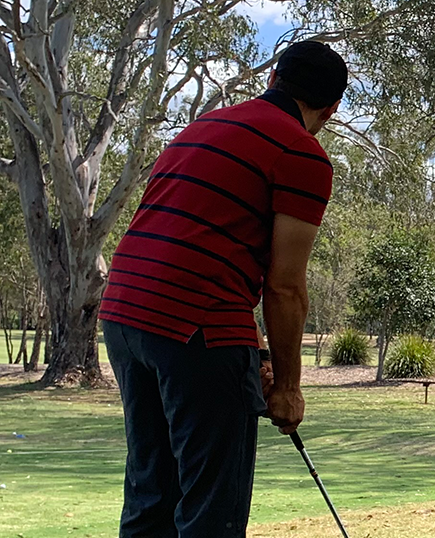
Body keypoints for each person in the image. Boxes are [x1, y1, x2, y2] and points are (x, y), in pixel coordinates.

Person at [99, 41, 345, 537]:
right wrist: (290, 389)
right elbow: (284, 287)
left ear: (274, 78)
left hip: (125, 316)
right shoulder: (301, 152)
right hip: (195, 327)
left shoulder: (201, 128)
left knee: (152, 494)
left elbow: (200, 245)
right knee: (213, 512)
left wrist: (254, 352)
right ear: (331, 109)